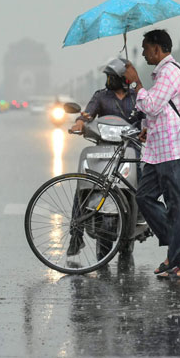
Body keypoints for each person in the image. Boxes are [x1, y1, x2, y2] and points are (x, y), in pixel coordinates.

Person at [123, 29, 180, 280]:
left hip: (172, 150)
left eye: (146, 47)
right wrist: (146, 129)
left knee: (178, 207)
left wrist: (135, 83)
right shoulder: (162, 74)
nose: (143, 52)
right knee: (144, 197)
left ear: (157, 48)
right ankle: (176, 248)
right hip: (157, 151)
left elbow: (152, 105)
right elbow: (159, 111)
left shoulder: (169, 72)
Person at [67, 58, 139, 257]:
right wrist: (80, 122)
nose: (109, 81)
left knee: (141, 186)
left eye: (112, 77)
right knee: (84, 184)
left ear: (124, 79)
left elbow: (147, 117)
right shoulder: (100, 97)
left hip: (131, 150)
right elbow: (87, 114)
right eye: (108, 77)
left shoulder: (136, 98)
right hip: (104, 150)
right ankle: (76, 234)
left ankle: (139, 221)